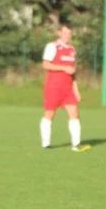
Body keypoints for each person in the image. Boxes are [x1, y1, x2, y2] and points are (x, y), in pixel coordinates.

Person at [40, 22, 89, 152]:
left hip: (68, 89)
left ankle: (76, 145)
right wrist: (63, 68)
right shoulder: (52, 46)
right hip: (53, 88)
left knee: (74, 114)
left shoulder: (72, 50)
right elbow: (45, 65)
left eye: (69, 33)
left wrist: (76, 90)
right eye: (65, 33)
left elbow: (72, 71)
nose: (67, 36)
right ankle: (46, 144)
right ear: (59, 33)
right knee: (49, 115)